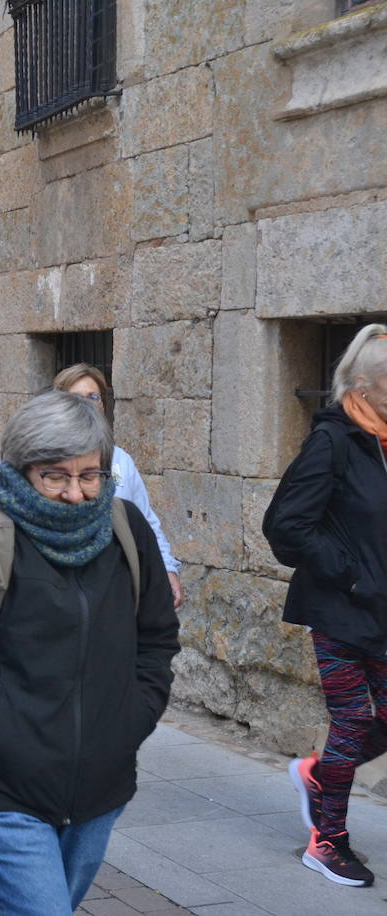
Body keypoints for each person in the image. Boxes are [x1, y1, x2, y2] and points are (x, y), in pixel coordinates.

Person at [0, 391, 179, 914]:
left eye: (90, 475)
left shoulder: (128, 532)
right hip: (7, 784)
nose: (77, 493)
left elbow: (156, 640)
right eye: (56, 476)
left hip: (101, 786)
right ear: (22, 470)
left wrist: (134, 719)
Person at [265, 324, 387, 888]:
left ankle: (318, 775)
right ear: (363, 385)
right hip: (342, 607)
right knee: (354, 719)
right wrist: (353, 575)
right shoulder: (332, 440)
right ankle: (326, 841)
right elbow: (285, 526)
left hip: (381, 609)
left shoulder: (383, 441)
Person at [53, 364, 184, 608]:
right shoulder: (41, 460)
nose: (87, 405)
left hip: (114, 585)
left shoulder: (120, 460)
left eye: (93, 397)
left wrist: (167, 567)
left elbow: (145, 520)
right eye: (76, 398)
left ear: (102, 405)